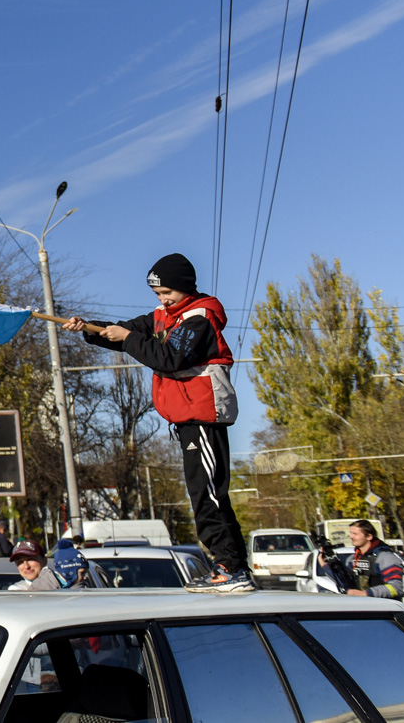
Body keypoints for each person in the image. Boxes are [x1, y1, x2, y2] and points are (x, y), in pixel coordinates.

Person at [68, 253, 252, 592]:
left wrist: (127, 337)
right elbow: (126, 331)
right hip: (187, 418)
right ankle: (234, 565)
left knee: (207, 495)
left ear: (186, 289)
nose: (163, 300)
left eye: (168, 293)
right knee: (205, 493)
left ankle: (229, 566)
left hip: (203, 416)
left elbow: (169, 358)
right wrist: (90, 329)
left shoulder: (198, 319)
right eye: (157, 295)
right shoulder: (164, 317)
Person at [341, 520, 404, 600]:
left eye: (355, 534)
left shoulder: (385, 557)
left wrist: (366, 593)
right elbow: (344, 582)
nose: (351, 536)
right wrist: (325, 565)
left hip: (385, 608)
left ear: (369, 537)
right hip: (363, 607)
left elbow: (396, 588)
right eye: (351, 533)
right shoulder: (352, 559)